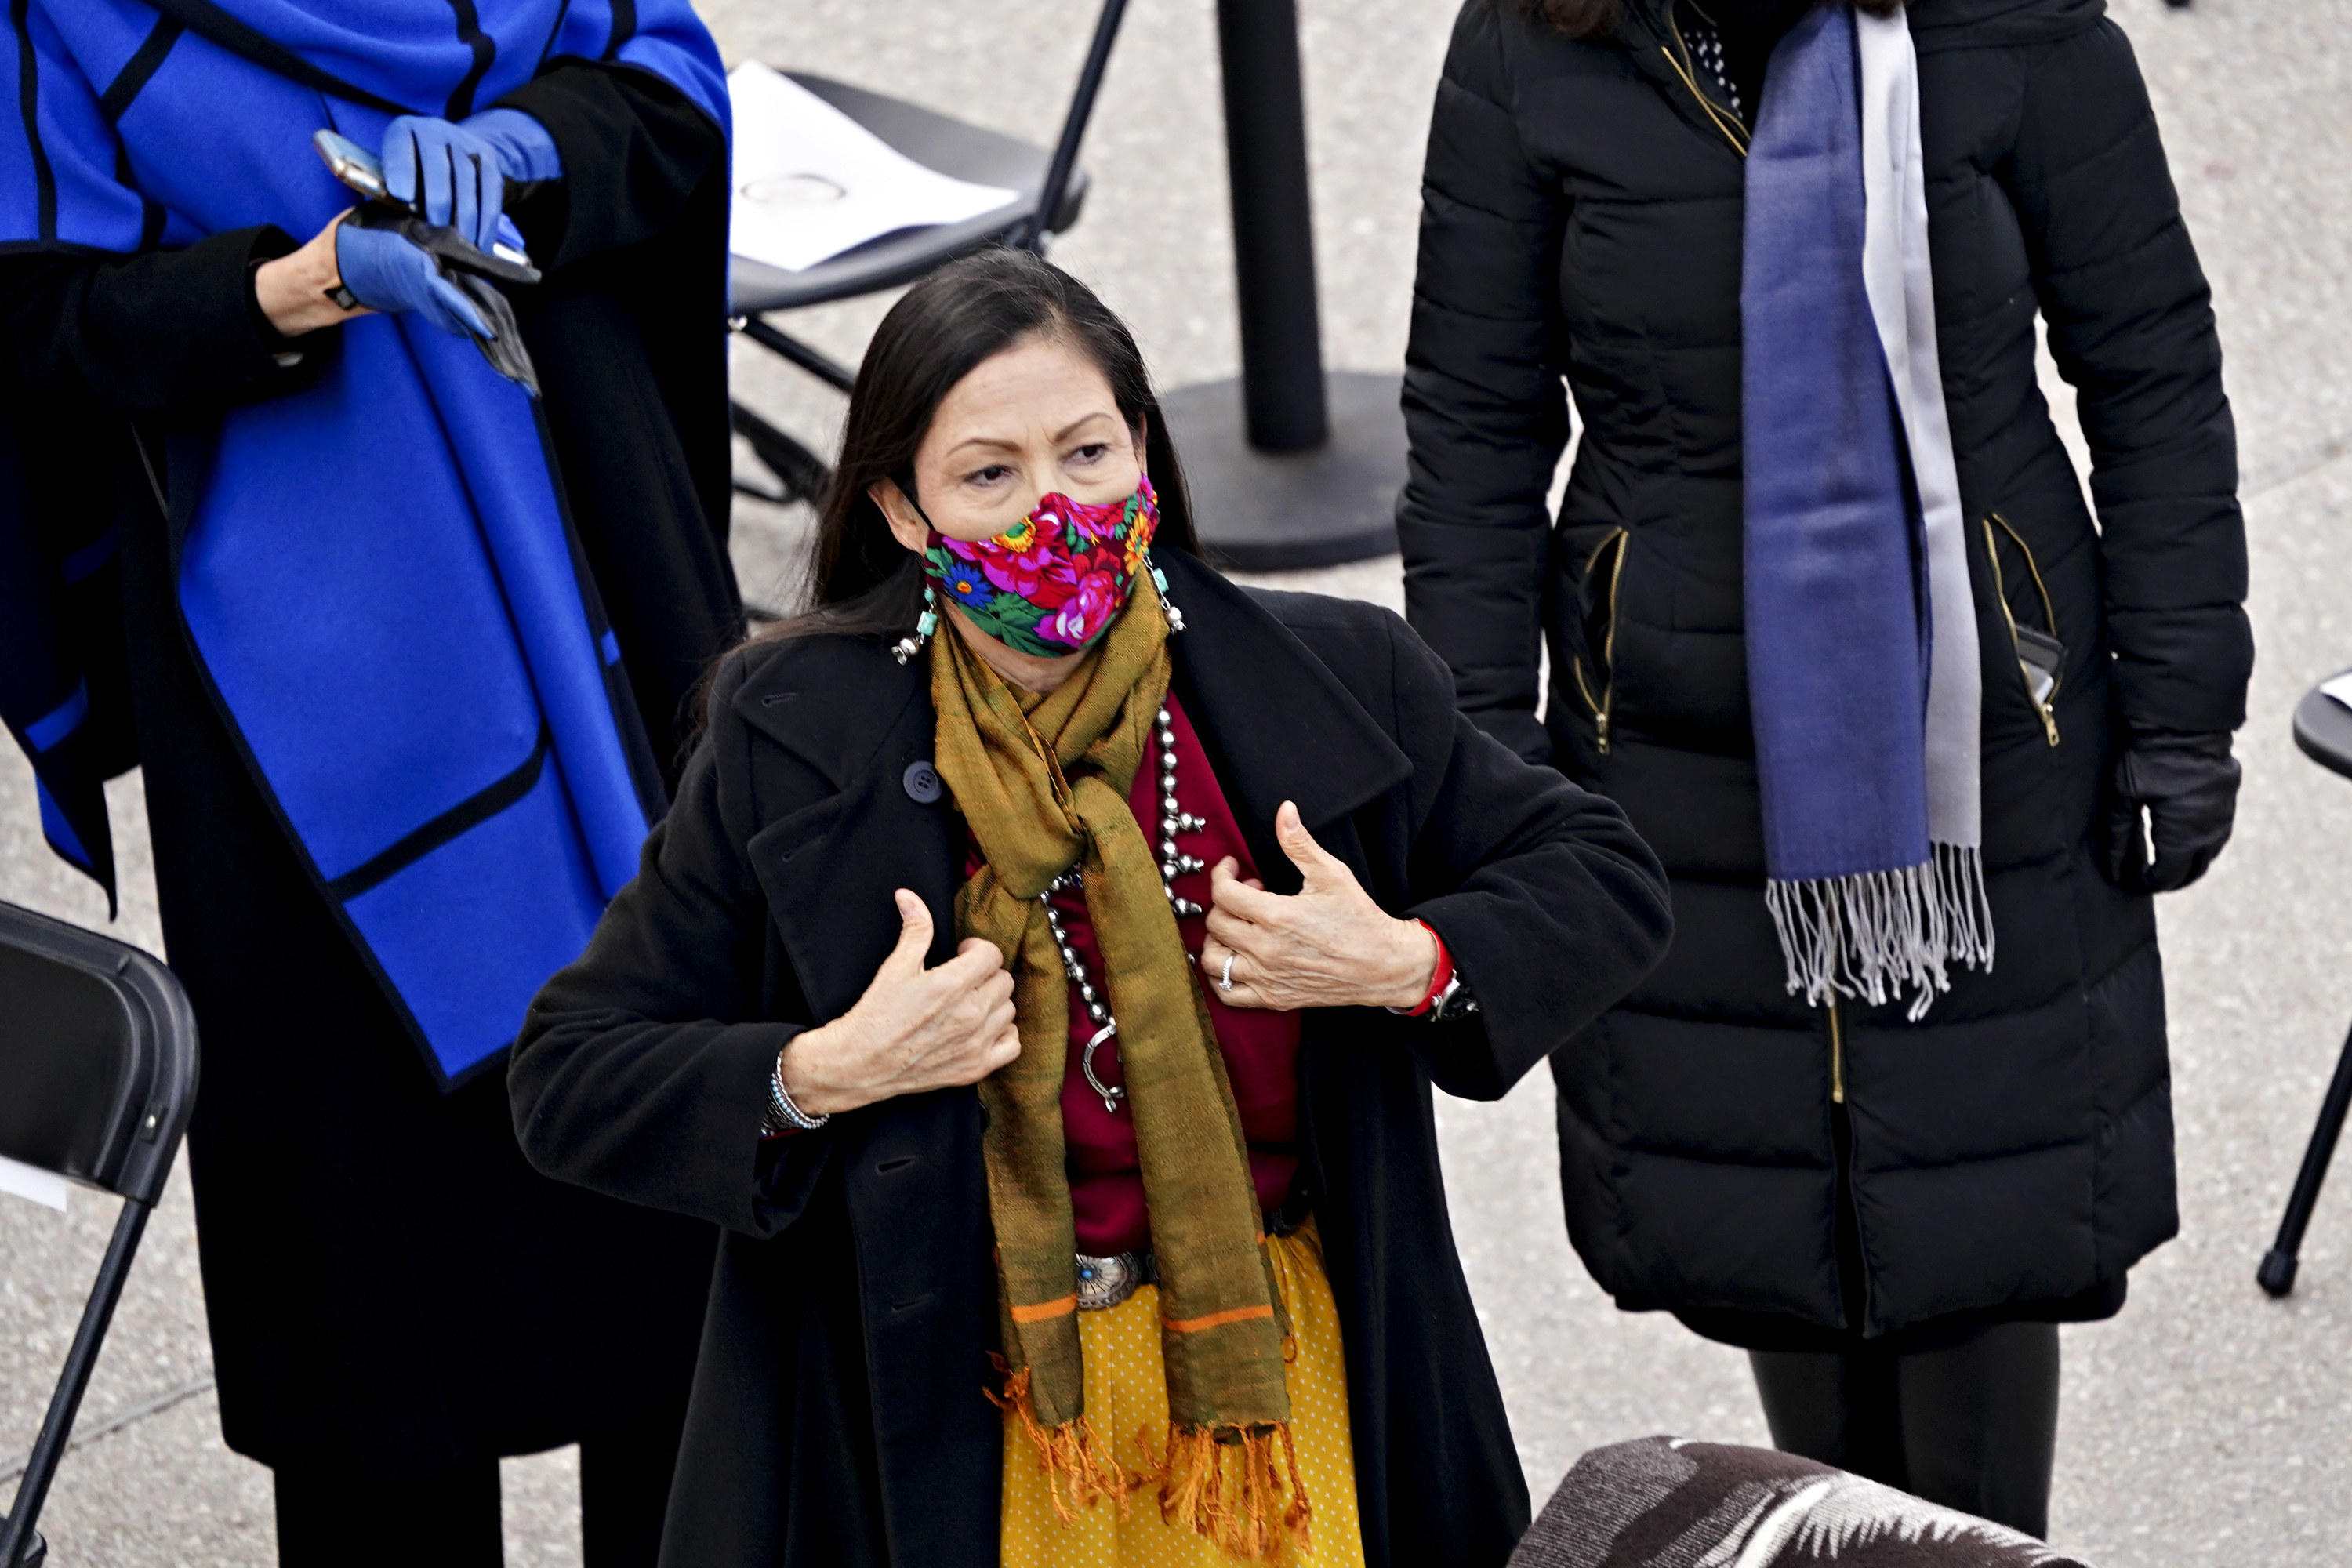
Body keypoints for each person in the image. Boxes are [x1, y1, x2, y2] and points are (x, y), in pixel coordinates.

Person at [506, 247, 1675, 1568]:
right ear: (901, 510)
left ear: (1147, 460)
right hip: (958, 1410)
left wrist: (1405, 958)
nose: (1052, 508)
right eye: (989, 474)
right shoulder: (787, 734)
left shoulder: (1337, 673)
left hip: (1295, 1395)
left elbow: (1606, 879)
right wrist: (822, 1072)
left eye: (1087, 453)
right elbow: (570, 1075)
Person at [1396, 0, 2249, 1540]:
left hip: (1986, 740)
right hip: (1668, 745)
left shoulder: (2018, 24)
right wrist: (1477, 745)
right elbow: (1472, 418)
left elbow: (2152, 371)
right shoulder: (1533, 42)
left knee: (1986, 1207)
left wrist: (2186, 707)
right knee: (1762, 1210)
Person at [0, 4, 741, 1562]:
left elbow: (667, 98)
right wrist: (306, 280)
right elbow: (40, 322)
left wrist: (525, 151)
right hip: (292, 727)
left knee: (691, 1276)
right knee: (375, 1329)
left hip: (605, 571)